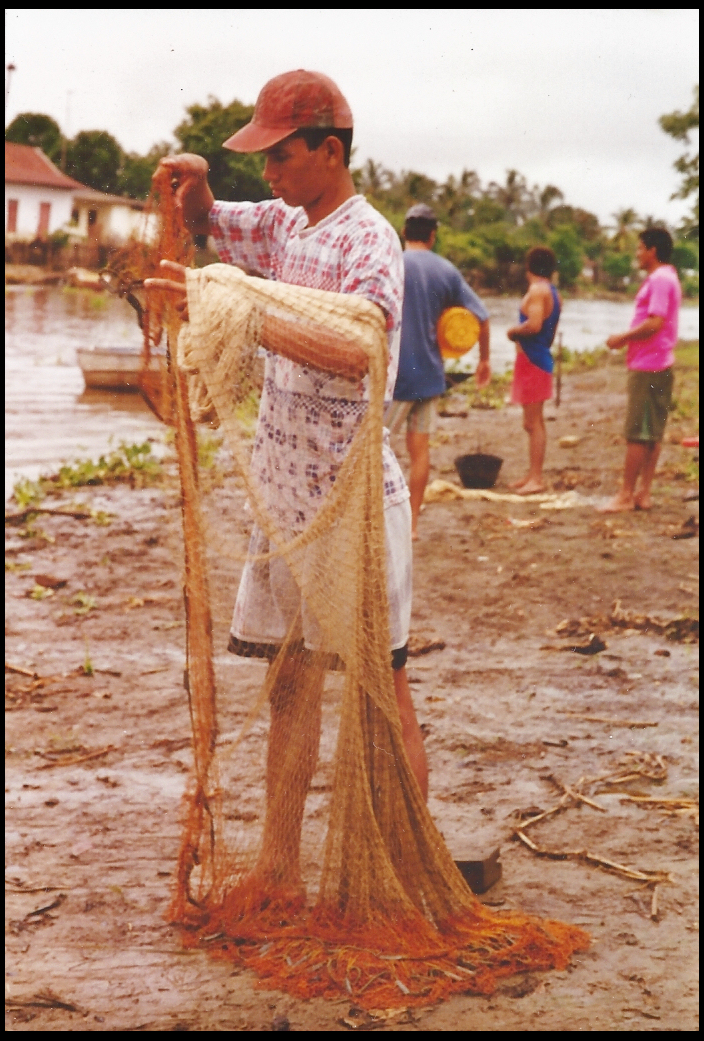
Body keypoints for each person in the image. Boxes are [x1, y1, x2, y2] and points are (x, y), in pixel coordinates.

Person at [145, 70, 428, 895]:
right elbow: (207, 223)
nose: (266, 174)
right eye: (259, 159)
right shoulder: (281, 226)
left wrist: (240, 313)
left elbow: (363, 351)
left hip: (352, 507)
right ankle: (279, 864)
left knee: (385, 691)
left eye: (280, 156)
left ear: (329, 151)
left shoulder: (366, 239)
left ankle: (408, 870)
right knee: (290, 684)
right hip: (287, 501)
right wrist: (194, 187)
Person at [386, 203, 491, 539]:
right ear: (432, 236)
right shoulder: (447, 271)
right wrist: (484, 360)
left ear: (404, 231)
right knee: (420, 451)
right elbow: (482, 316)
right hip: (430, 377)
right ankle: (412, 525)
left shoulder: (391, 263)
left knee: (375, 449)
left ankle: (379, 519)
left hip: (396, 377)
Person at [599, 227, 681, 513]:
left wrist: (622, 338)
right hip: (661, 362)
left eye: (639, 248)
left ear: (652, 251)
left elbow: (655, 322)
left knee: (637, 433)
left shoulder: (659, 279)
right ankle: (642, 494)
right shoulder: (669, 277)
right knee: (653, 432)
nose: (637, 254)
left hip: (648, 365)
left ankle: (625, 495)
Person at [506, 246, 562, 494]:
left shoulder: (537, 290)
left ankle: (536, 478)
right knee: (531, 422)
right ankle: (531, 474)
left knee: (534, 422)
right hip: (535, 358)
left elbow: (536, 324)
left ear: (529, 266)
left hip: (533, 360)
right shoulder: (552, 291)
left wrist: (513, 332)